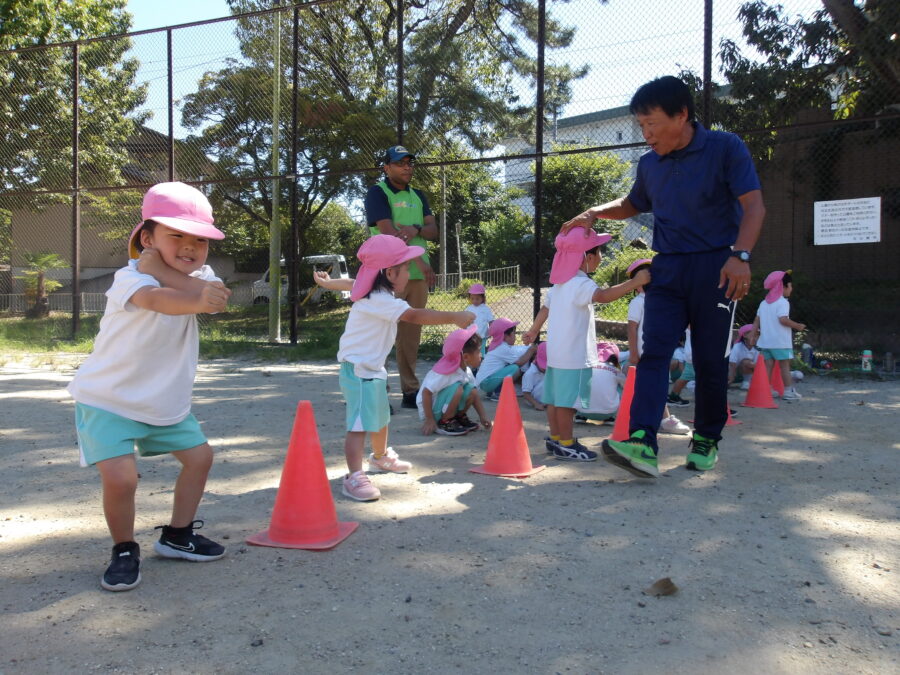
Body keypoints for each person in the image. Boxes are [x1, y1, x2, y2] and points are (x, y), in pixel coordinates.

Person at [562, 75, 765, 477]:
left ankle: (705, 439)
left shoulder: (725, 147)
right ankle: (642, 441)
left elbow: (754, 206)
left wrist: (740, 256)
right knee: (652, 354)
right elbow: (633, 202)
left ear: (682, 115)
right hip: (668, 268)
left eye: (652, 123)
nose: (646, 134)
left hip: (717, 266)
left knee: (709, 359)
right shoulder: (649, 164)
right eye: (641, 125)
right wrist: (595, 212)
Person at [67, 182, 231, 592]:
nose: (190, 246)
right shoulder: (127, 278)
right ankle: (124, 549)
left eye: (200, 240)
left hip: (163, 401)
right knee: (122, 479)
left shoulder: (202, 276)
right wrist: (159, 276)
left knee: (200, 458)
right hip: (109, 398)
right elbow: (159, 300)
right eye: (176, 235)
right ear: (147, 239)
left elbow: (216, 297)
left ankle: (177, 535)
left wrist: (162, 269)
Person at [317, 235, 473, 502]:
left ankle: (380, 457)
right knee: (359, 425)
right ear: (390, 273)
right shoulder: (380, 299)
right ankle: (354, 477)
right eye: (406, 268)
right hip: (358, 371)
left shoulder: (374, 291)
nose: (409, 274)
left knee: (380, 418)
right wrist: (454, 317)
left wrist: (329, 283)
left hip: (372, 369)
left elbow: (352, 283)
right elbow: (414, 315)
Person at [522, 228, 649, 461]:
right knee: (568, 403)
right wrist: (635, 282)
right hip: (574, 356)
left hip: (556, 354)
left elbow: (545, 309)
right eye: (599, 252)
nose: (601, 257)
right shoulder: (581, 283)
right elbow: (603, 296)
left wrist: (533, 330)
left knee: (555, 399)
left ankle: (557, 439)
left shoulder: (559, 283)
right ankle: (567, 444)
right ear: (587, 257)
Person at [364, 145, 439, 409]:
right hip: (389, 275)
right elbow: (388, 232)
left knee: (410, 337)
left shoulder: (418, 195)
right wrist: (418, 258)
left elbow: (433, 230)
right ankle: (377, 391)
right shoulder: (377, 193)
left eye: (409, 162)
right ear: (387, 168)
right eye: (400, 163)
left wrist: (416, 228)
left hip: (417, 277)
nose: (407, 167)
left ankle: (410, 391)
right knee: (383, 334)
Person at [624, 258, 689, 435]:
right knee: (652, 387)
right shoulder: (638, 302)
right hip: (645, 354)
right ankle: (663, 420)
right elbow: (632, 328)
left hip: (659, 352)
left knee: (655, 387)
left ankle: (662, 419)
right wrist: (634, 353)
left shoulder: (662, 300)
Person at [417, 325, 492, 436]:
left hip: (442, 406)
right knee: (458, 389)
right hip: (431, 411)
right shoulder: (445, 372)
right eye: (478, 352)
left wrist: (482, 416)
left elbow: (475, 395)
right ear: (465, 357)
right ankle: (444, 423)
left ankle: (457, 418)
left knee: (472, 390)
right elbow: (426, 392)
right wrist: (429, 419)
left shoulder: (466, 370)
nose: (481, 355)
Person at [754, 270, 805, 401]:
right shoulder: (783, 302)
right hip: (780, 342)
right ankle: (788, 391)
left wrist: (752, 334)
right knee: (785, 367)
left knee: (768, 366)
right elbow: (783, 319)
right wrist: (797, 326)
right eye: (790, 285)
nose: (791, 288)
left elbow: (757, 320)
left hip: (766, 342)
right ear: (784, 286)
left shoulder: (763, 303)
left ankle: (767, 390)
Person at [474, 317, 536, 397]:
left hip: (485, 382)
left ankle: (493, 391)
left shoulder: (497, 346)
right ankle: (498, 391)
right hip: (486, 383)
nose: (515, 336)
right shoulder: (502, 348)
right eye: (514, 333)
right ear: (505, 336)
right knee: (515, 368)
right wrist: (531, 350)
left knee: (510, 366)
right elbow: (520, 362)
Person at [574, 342, 626, 423]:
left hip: (583, 411)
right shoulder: (615, 370)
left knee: (580, 385)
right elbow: (625, 385)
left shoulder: (584, 366)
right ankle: (611, 418)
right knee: (620, 386)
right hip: (608, 412)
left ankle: (580, 416)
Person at [464, 283, 495, 357]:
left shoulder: (486, 309)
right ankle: (472, 361)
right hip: (470, 335)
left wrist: (492, 331)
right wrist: (464, 331)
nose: (474, 301)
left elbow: (491, 321)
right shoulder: (468, 308)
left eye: (477, 299)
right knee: (471, 351)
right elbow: (464, 321)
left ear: (483, 298)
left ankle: (481, 361)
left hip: (482, 335)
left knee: (481, 351)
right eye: (472, 298)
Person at [728, 324, 759, 390]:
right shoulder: (737, 346)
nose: (756, 337)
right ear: (744, 335)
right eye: (753, 334)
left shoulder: (756, 350)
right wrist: (731, 376)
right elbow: (732, 363)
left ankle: (746, 382)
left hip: (743, 370)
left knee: (747, 362)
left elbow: (757, 365)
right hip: (731, 370)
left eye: (757, 335)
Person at [521, 341, 547, 411]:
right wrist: (536, 404)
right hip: (533, 400)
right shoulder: (530, 373)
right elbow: (526, 393)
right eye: (544, 367)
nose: (546, 369)